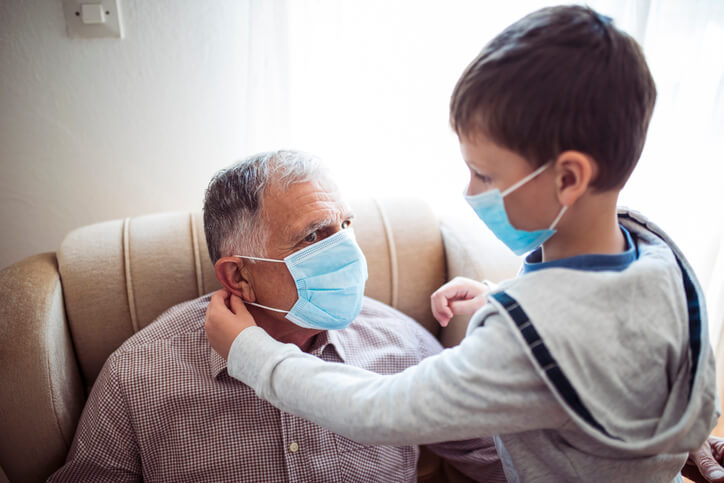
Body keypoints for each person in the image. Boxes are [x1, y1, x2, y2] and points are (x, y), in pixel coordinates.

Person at [204, 6, 721, 483]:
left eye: (482, 173)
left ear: (568, 178)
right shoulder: (657, 250)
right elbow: (619, 344)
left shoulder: (517, 343)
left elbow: (376, 409)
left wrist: (251, 354)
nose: (469, 191)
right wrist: (505, 301)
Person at [49, 150, 503, 482]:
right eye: (313, 237)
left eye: (345, 225)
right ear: (239, 276)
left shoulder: (402, 346)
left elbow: (502, 459)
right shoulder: (140, 374)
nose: (346, 249)